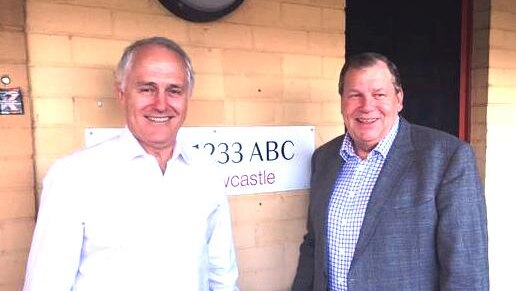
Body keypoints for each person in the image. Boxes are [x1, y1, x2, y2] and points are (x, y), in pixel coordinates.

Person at [23, 37, 239, 291]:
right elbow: (46, 284)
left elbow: (222, 274)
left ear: (187, 96)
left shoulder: (205, 172)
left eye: (174, 90)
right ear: (122, 94)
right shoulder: (74, 176)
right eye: (147, 89)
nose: (161, 104)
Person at [292, 52, 489, 290]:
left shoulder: (447, 158)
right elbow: (314, 244)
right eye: (355, 95)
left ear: (399, 99)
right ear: (342, 101)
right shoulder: (324, 159)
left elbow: (466, 268)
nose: (367, 106)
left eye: (379, 95)